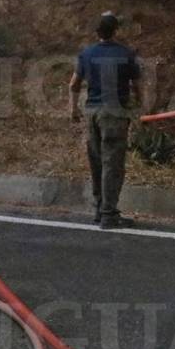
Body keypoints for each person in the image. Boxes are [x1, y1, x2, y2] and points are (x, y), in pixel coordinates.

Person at [69, 13, 143, 230]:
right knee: (113, 164)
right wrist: (139, 107)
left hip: (92, 112)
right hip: (115, 114)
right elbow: (138, 86)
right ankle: (109, 214)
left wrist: (73, 109)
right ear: (116, 31)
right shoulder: (126, 54)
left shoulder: (86, 54)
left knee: (97, 161)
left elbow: (73, 85)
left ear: (97, 32)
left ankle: (99, 209)